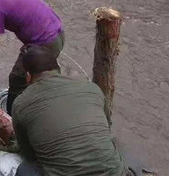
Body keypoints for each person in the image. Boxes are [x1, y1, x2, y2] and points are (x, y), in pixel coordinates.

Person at [13, 45, 128, 176]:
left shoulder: (20, 103)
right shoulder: (92, 88)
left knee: (24, 169)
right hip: (115, 173)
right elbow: (107, 128)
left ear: (28, 76)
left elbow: (28, 154)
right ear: (58, 69)